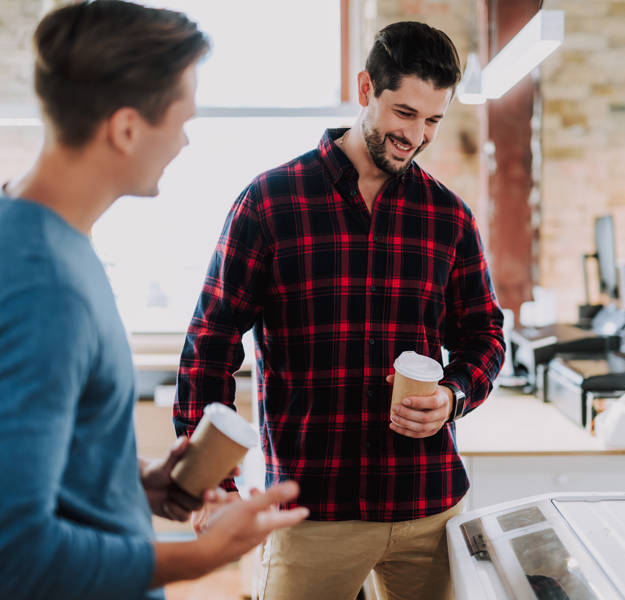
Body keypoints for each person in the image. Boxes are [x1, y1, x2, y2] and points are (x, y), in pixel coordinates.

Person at [174, 21, 505, 600]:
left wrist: (453, 396)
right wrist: (212, 483)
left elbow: (484, 335)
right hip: (314, 509)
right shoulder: (271, 202)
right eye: (404, 113)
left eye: (432, 120)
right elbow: (211, 341)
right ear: (364, 88)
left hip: (428, 504)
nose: (417, 136)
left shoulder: (449, 218)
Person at [0, 3, 307, 599]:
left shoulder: (43, 237)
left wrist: (138, 480)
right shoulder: (46, 287)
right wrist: (199, 557)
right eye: (182, 119)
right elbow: (16, 552)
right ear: (126, 129)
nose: (186, 139)